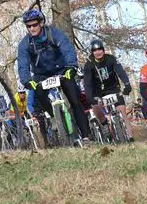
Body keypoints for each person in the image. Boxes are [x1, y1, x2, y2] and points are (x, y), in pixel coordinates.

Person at [16, 10, 91, 141]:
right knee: (38, 93)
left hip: (61, 70)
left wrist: (72, 66)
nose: (32, 28)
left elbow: (67, 49)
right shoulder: (25, 43)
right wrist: (26, 80)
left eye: (34, 25)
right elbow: (23, 64)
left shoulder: (55, 34)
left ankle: (86, 136)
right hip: (41, 74)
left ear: (41, 23)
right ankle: (53, 117)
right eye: (29, 26)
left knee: (75, 100)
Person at [82, 38, 133, 142]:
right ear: (92, 52)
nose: (98, 52)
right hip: (98, 91)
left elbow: (121, 72)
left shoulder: (111, 59)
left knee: (122, 110)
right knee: (96, 107)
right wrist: (89, 96)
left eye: (100, 49)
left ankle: (130, 137)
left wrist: (127, 84)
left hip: (113, 88)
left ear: (103, 50)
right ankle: (104, 123)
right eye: (95, 50)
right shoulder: (89, 64)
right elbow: (87, 82)